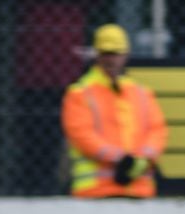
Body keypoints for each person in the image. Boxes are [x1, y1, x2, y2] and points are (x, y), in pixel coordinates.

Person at [61, 24, 168, 198]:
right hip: (96, 191)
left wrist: (141, 160)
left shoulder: (141, 92)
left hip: (139, 190)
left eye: (116, 53)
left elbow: (158, 130)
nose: (110, 59)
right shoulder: (79, 93)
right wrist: (119, 159)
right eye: (105, 53)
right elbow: (82, 135)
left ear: (126, 55)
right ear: (96, 55)